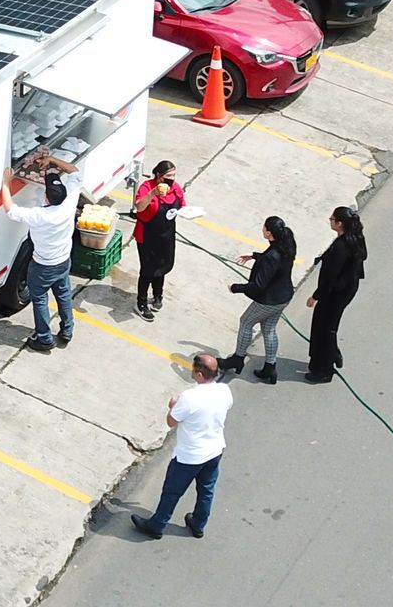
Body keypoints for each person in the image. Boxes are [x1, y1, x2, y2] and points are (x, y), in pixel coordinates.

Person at [132, 353, 232, 540]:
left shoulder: (189, 397)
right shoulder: (225, 391)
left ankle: (157, 524)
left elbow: (171, 421)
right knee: (206, 490)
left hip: (190, 456)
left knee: (172, 492)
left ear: (200, 375)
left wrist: (172, 405)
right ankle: (198, 523)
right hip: (215, 450)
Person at [0, 152, 82, 353]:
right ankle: (67, 329)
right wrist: (53, 160)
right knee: (63, 294)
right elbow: (74, 171)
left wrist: (5, 183)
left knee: (40, 299)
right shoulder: (69, 202)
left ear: (46, 196)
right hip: (63, 261)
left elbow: (10, 210)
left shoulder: (39, 215)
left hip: (43, 265)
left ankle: (44, 338)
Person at [219, 217, 298, 385]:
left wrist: (236, 288)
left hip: (269, 300)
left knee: (246, 322)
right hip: (284, 296)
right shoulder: (286, 246)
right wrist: (255, 256)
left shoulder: (272, 256)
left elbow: (258, 286)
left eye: (264, 227)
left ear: (269, 233)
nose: (262, 229)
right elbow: (273, 258)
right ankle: (270, 367)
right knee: (269, 329)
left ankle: (237, 358)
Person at [307, 206, 368, 383]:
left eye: (332, 219)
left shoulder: (342, 247)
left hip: (336, 293)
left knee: (325, 328)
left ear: (340, 224)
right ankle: (328, 355)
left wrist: (316, 296)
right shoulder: (354, 238)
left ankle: (325, 368)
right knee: (327, 325)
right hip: (347, 289)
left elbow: (330, 278)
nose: (330, 220)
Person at [133, 160, 185, 321]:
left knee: (162, 266)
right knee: (148, 270)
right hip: (147, 236)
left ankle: (158, 294)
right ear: (158, 175)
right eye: (168, 176)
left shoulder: (175, 188)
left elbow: (182, 205)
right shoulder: (147, 187)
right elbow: (140, 207)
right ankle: (141, 302)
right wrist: (153, 193)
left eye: (174, 175)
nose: (172, 179)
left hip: (166, 235)